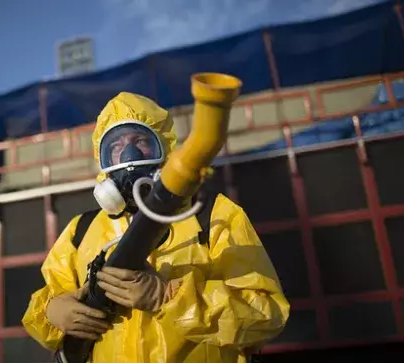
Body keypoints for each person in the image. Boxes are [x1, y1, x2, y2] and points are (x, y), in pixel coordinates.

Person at [22, 92, 290, 363]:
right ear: (102, 158)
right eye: (116, 145)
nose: (129, 153)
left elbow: (266, 314)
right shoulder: (81, 231)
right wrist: (50, 313)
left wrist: (169, 298)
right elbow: (47, 308)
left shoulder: (213, 216)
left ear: (164, 147)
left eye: (140, 141)